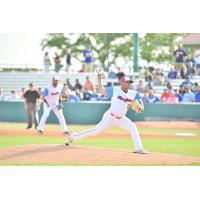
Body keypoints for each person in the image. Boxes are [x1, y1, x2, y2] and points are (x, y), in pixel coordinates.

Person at [66, 74, 148, 154]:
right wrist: (99, 80)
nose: (128, 83)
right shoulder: (116, 90)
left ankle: (139, 148)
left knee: (133, 127)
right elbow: (102, 91)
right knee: (95, 131)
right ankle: (73, 136)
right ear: (122, 83)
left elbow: (139, 99)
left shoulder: (133, 93)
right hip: (110, 117)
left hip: (121, 118)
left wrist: (142, 107)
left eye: (129, 82)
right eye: (127, 82)